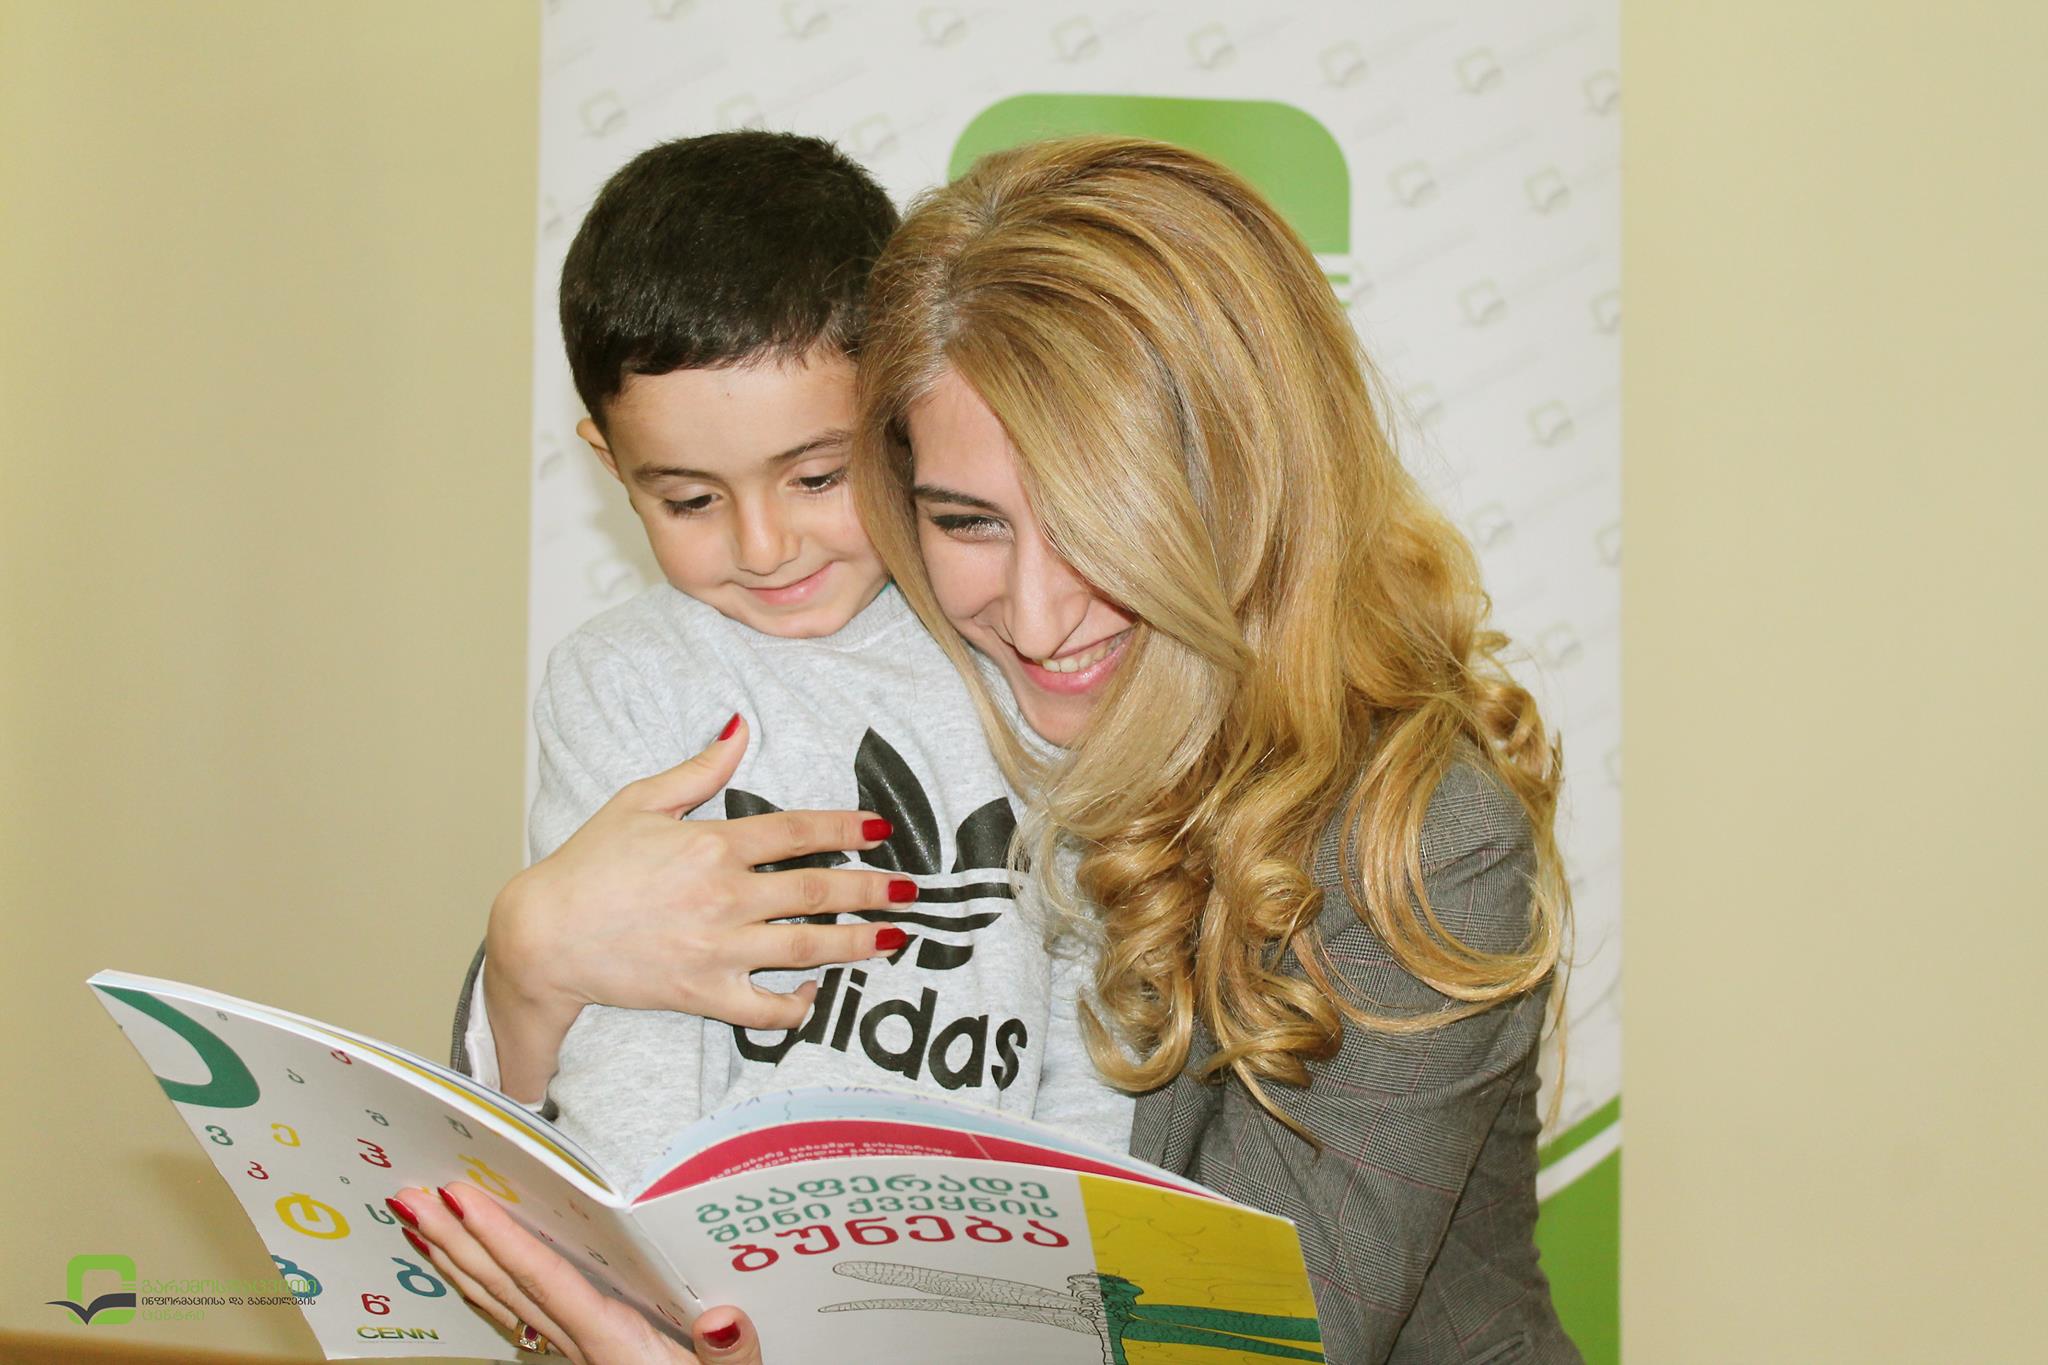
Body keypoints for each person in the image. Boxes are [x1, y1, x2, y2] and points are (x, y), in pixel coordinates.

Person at [418, 134, 1579, 1365]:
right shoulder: (837, 645)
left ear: (1253, 493)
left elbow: (1245, 1339)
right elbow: (607, 1069)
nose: (1033, 619)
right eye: (968, 522)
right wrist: (526, 967)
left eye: (1097, 528)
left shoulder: (1424, 840)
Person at [448, 129, 1131, 1214]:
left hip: (994, 1258)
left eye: (816, 477)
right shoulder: (624, 683)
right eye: (689, 500)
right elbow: (616, 1009)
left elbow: (1087, 1002)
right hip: (713, 1250)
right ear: (610, 465)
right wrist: (656, 1251)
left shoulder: (1012, 640)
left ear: (903, 419)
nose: (763, 548)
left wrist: (1086, 1241)